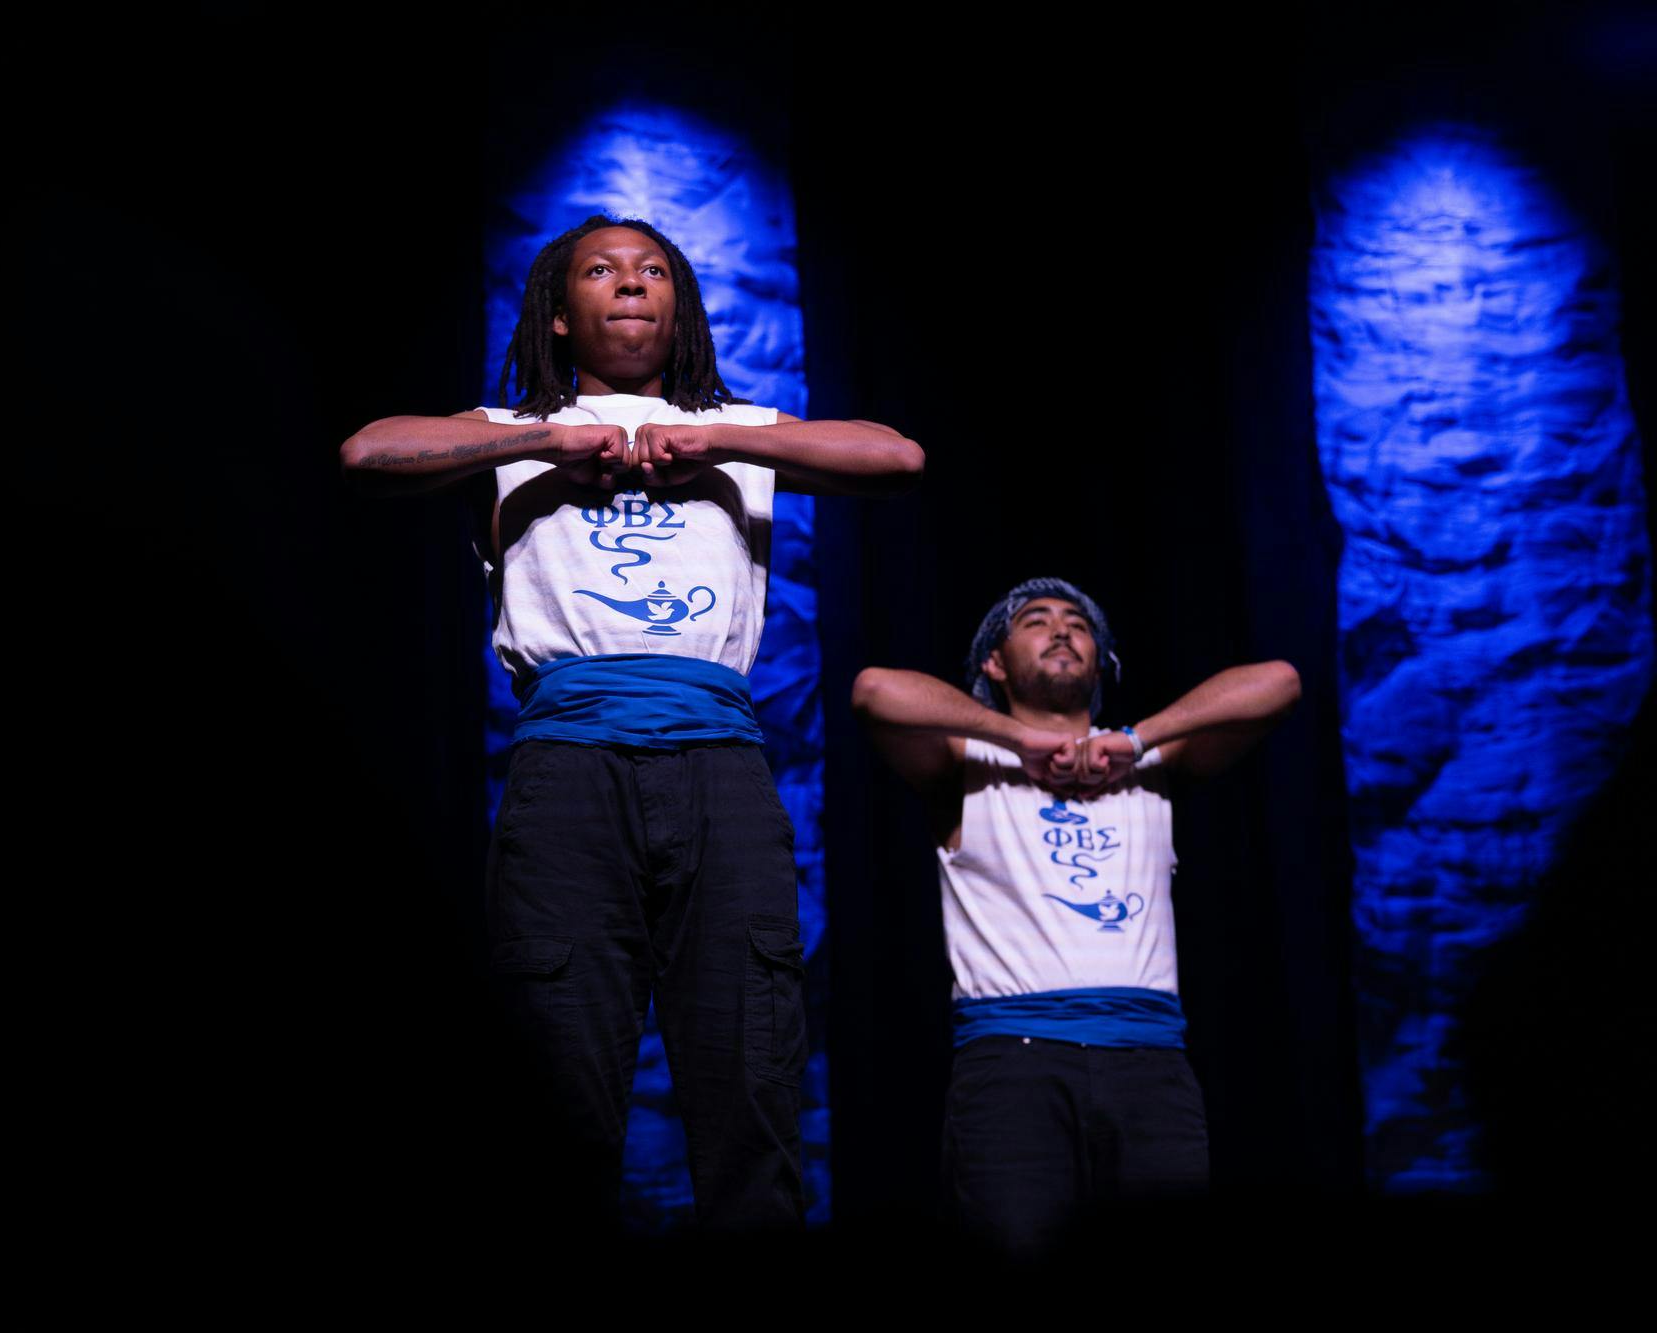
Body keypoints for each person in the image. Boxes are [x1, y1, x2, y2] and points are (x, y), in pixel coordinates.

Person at [342, 214, 921, 1229]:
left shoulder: (736, 433)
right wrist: (541, 439)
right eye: (601, 271)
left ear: (680, 307)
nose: (630, 284)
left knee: (748, 1070)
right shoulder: (509, 434)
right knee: (560, 1071)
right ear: (558, 315)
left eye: (653, 270)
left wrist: (721, 439)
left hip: (717, 768)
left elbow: (896, 456)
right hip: (568, 768)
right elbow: (366, 450)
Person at [851, 577, 1299, 1253]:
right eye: (1036, 620)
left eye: (1079, 624)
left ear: (1102, 662)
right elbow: (874, 691)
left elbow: (1281, 681)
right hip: (1012, 1065)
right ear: (994, 663)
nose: (1063, 629)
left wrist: (1137, 738)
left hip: (1151, 1063)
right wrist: (1019, 738)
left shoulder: (1150, 766)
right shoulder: (969, 766)